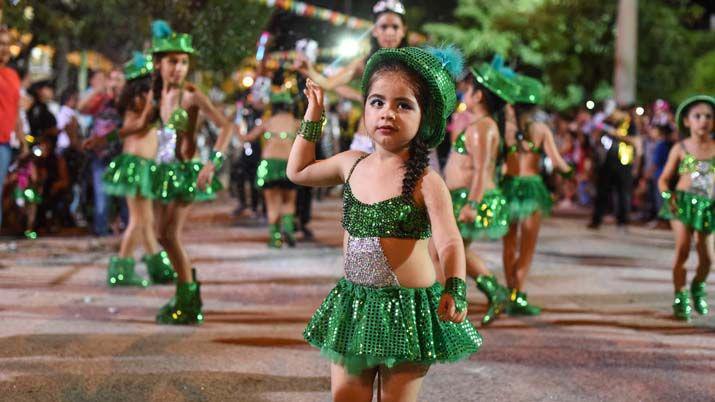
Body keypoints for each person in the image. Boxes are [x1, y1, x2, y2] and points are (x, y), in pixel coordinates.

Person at [289, 46, 481, 401]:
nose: (386, 113)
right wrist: (314, 115)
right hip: (354, 305)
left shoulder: (427, 181)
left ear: (426, 117)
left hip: (408, 312)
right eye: (377, 102)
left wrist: (455, 286)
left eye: (403, 105)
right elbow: (298, 171)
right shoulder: (351, 163)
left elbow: (450, 241)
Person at [442, 60, 516, 325]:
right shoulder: (479, 124)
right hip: (462, 195)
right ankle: (493, 292)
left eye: (468, 89)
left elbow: (483, 168)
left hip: (470, 197)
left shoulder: (483, 127)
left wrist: (471, 203)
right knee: (453, 251)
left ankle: (456, 303)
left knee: (448, 251)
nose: (464, 93)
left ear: (479, 95)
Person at [96, 52, 175, 287]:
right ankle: (121, 268)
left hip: (141, 165)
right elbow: (140, 125)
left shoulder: (137, 99)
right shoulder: (142, 100)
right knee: (138, 221)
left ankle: (157, 266)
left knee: (145, 219)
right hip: (137, 165)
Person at [294, 0, 409, 154]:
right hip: (366, 141)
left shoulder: (412, 66)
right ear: (375, 30)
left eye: (395, 27)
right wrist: (308, 70)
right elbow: (329, 83)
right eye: (383, 27)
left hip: (399, 141)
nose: (389, 32)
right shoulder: (364, 63)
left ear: (403, 30)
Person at [500, 73, 573, 316]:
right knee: (527, 247)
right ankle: (517, 294)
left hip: (508, 187)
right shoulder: (541, 129)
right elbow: (557, 162)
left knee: (508, 244)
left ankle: (511, 292)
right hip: (532, 189)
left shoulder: (504, 130)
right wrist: (570, 173)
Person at [657, 95, 714, 321]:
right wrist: (666, 196)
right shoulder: (680, 148)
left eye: (709, 116)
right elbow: (663, 179)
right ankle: (680, 296)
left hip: (708, 207)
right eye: (697, 116)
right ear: (687, 121)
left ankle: (698, 286)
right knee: (682, 249)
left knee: (707, 257)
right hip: (681, 204)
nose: (703, 121)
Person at [241, 91, 299, 248]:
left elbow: (247, 138)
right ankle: (288, 228)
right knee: (289, 201)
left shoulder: (267, 122)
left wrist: (234, 128)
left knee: (272, 204)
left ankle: (275, 238)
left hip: (269, 165)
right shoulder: (295, 123)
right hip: (288, 164)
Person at [0, 25, 23, 231]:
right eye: (1, 44)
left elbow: (16, 109)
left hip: (5, 142)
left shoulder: (12, 75)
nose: (5, 48)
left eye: (7, 44)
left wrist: (23, 138)